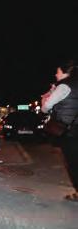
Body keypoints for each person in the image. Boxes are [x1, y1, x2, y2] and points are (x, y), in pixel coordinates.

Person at [41, 60, 78, 202]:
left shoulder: (63, 87)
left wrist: (47, 96)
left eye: (57, 71)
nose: (55, 74)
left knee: (73, 163)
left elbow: (46, 107)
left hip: (68, 132)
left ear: (63, 72)